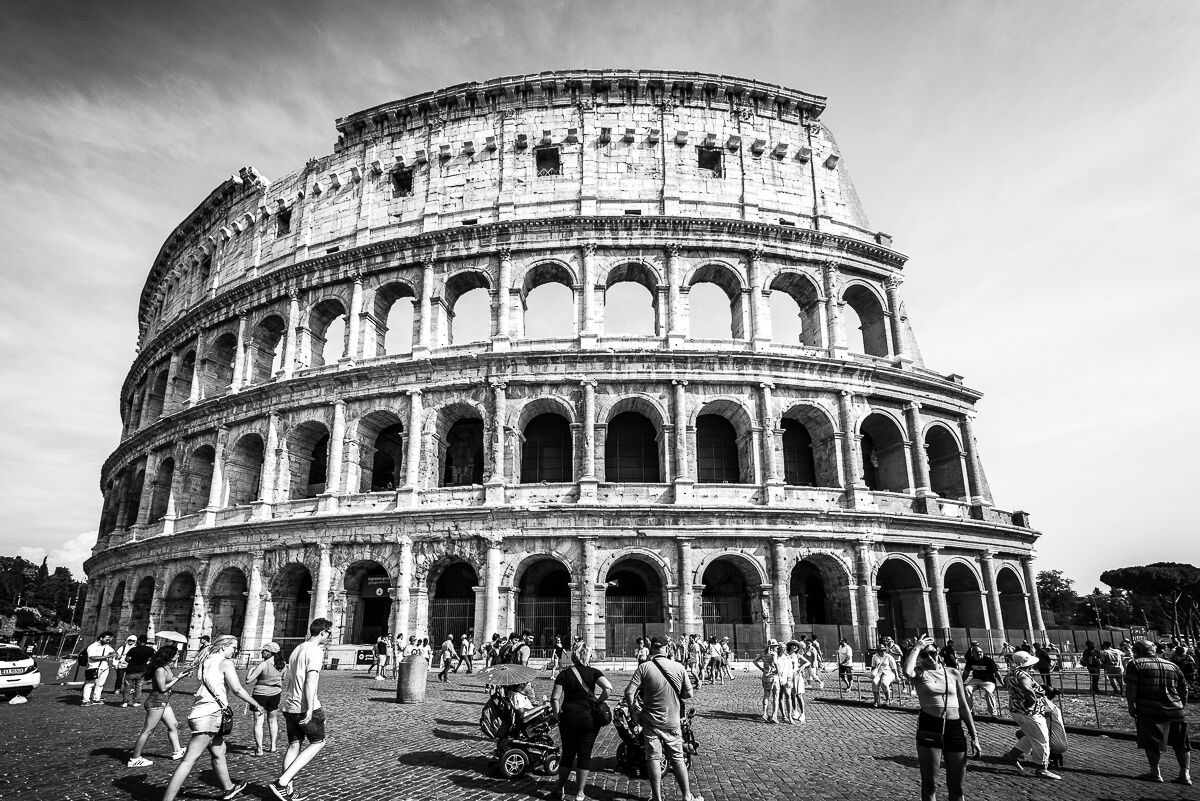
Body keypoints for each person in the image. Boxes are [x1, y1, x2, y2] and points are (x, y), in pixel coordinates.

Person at [162, 635, 262, 801]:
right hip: (210, 714)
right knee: (188, 760)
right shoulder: (225, 663)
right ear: (224, 647)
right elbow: (237, 689)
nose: (235, 651)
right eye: (233, 648)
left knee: (219, 751)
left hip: (200, 711)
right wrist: (256, 704)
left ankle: (228, 787)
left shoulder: (206, 660)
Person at [903, 634, 980, 801]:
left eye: (932, 653)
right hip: (930, 725)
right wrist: (917, 647)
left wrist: (974, 735)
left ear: (939, 652)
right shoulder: (919, 672)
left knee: (957, 787)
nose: (930, 657)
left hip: (954, 727)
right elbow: (906, 671)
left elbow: (963, 705)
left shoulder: (953, 673)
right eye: (924, 655)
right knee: (929, 784)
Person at [624, 635, 701, 801]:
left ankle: (657, 797)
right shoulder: (678, 667)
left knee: (653, 757)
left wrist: (634, 712)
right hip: (672, 719)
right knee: (677, 757)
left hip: (650, 720)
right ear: (667, 648)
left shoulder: (644, 667)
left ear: (652, 648)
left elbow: (629, 692)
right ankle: (687, 796)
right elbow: (689, 694)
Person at [268, 617, 333, 801]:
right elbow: (311, 681)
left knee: (294, 745)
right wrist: (311, 708)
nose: (329, 637)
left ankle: (287, 791)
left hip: (289, 705)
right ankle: (282, 782)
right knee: (318, 742)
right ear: (322, 632)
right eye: (328, 633)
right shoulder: (315, 651)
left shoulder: (298, 649)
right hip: (304, 706)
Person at [549, 642, 613, 801]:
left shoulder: (564, 674)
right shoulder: (594, 672)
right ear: (587, 656)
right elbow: (608, 688)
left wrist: (557, 715)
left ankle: (559, 788)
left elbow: (555, 698)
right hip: (588, 718)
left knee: (567, 754)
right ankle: (580, 794)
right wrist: (598, 702)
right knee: (584, 755)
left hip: (568, 718)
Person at [1125, 638, 1191, 785]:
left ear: (1136, 652)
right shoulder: (1172, 665)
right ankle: (1184, 774)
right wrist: (1181, 706)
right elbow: (1184, 689)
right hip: (1176, 710)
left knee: (1152, 742)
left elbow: (1131, 688)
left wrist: (1131, 706)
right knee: (1181, 743)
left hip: (1150, 710)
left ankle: (1155, 772)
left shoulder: (1135, 664)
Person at [1002, 650, 1061, 780]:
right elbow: (1026, 688)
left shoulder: (1011, 673)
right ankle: (1042, 769)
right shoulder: (1023, 676)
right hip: (1030, 712)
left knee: (1031, 735)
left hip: (1017, 710)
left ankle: (1012, 755)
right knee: (1042, 739)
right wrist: (1032, 700)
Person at [126, 642, 187, 767]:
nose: (178, 655)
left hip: (164, 701)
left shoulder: (166, 667)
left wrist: (181, 675)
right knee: (147, 731)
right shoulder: (159, 669)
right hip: (156, 701)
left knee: (173, 724)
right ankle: (134, 759)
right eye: (176, 654)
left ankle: (177, 751)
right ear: (169, 655)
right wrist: (178, 678)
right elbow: (163, 688)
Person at [247, 642, 286, 756]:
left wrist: (250, 671)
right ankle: (273, 746)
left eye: (264, 650)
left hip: (260, 695)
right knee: (273, 720)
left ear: (269, 652)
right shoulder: (283, 665)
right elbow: (282, 678)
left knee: (259, 722)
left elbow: (248, 681)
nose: (261, 652)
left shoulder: (263, 665)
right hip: (275, 694)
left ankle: (259, 750)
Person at [962, 643, 1001, 716]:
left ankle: (993, 713)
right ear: (973, 654)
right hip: (976, 679)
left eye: (981, 652)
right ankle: (969, 711)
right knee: (967, 689)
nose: (979, 653)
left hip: (988, 680)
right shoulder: (970, 660)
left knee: (988, 692)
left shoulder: (989, 660)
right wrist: (961, 682)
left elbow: (997, 672)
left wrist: (1002, 682)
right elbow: (966, 673)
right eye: (977, 652)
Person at [121, 634, 155, 708]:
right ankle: (136, 702)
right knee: (138, 687)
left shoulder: (133, 649)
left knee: (127, 687)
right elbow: (153, 659)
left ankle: (125, 702)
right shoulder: (150, 650)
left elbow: (126, 659)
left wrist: (131, 661)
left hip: (131, 670)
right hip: (142, 670)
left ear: (138, 641)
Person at [81, 631, 115, 706]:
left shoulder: (106, 646)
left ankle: (96, 698)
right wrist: (107, 657)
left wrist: (115, 654)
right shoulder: (92, 647)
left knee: (100, 684)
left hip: (104, 667)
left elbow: (112, 651)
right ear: (101, 638)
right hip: (94, 667)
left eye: (110, 639)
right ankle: (85, 700)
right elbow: (93, 657)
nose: (109, 640)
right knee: (90, 684)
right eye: (107, 638)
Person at [752, 640, 782, 723]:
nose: (776, 647)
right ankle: (774, 715)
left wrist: (761, 669)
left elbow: (754, 661)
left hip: (765, 675)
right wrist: (778, 671)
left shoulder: (762, 653)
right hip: (773, 676)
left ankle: (764, 713)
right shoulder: (773, 654)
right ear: (773, 646)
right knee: (776, 696)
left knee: (766, 695)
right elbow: (775, 662)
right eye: (775, 646)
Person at [784, 640, 809, 722]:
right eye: (793, 645)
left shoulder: (797, 655)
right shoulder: (786, 655)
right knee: (792, 694)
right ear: (790, 646)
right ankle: (795, 711)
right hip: (789, 676)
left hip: (796, 675)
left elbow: (807, 662)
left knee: (799, 694)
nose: (795, 647)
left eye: (796, 646)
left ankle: (802, 713)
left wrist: (802, 667)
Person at [113, 635, 137, 703]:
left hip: (130, 665)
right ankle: (117, 689)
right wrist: (115, 664)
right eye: (130, 640)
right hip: (121, 664)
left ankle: (130, 689)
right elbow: (117, 656)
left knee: (130, 678)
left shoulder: (135, 648)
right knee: (119, 677)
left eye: (132, 641)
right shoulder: (122, 647)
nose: (130, 642)